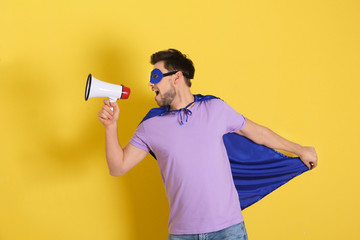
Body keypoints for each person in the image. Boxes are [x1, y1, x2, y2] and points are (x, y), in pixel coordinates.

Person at [97, 49, 318, 239]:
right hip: (182, 234)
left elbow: (257, 133)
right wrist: (111, 127)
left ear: (177, 77)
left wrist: (300, 150)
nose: (150, 83)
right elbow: (118, 167)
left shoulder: (215, 109)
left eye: (156, 76)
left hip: (228, 231)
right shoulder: (151, 126)